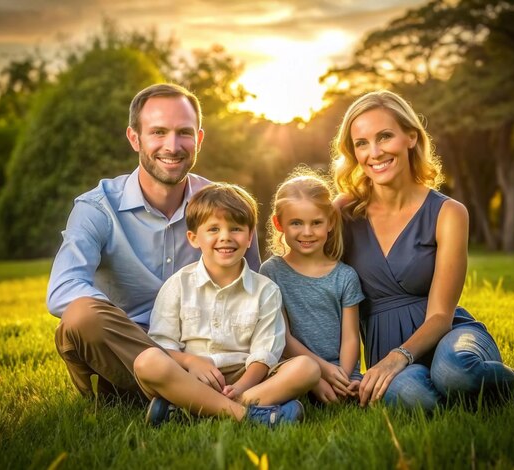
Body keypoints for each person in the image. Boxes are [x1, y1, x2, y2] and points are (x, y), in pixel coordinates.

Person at [332, 90, 514, 410]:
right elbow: (301, 265)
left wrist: (398, 357)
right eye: (361, 143)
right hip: (384, 350)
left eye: (385, 136)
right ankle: (476, 396)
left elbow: (441, 315)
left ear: (410, 137)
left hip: (450, 336)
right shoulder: (344, 212)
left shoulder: (448, 212)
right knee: (420, 401)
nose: (374, 152)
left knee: (455, 373)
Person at [46, 83, 260, 400]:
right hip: (126, 349)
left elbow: (255, 287)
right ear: (135, 138)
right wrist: (173, 356)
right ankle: (208, 398)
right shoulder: (97, 208)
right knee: (81, 317)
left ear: (199, 139)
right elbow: (62, 290)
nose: (172, 146)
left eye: (184, 132)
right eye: (158, 132)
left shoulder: (226, 206)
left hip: (207, 345)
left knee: (284, 364)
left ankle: (168, 398)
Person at [134, 183, 320, 427]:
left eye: (236, 228)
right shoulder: (178, 285)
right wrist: (191, 362)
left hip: (247, 378)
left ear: (249, 236)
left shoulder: (265, 290)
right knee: (147, 362)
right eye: (213, 229)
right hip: (192, 378)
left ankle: (192, 411)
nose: (225, 237)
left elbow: (265, 354)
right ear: (193, 238)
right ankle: (251, 416)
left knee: (307, 368)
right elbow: (162, 344)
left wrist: (240, 388)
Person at [260, 170, 364, 405]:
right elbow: (282, 338)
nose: (307, 232)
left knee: (361, 394)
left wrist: (343, 378)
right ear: (279, 224)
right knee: (292, 385)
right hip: (293, 366)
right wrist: (321, 373)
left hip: (340, 370)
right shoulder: (271, 272)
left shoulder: (345, 276)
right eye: (296, 223)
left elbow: (350, 339)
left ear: (330, 222)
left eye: (316, 223)